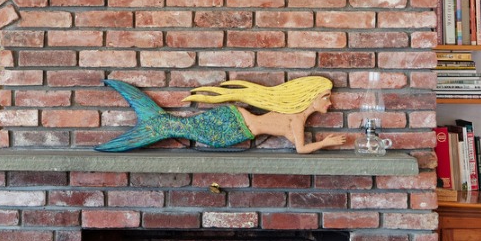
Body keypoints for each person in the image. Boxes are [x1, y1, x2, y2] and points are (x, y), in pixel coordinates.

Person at [95, 76, 349, 154]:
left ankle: (157, 125)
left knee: (178, 127)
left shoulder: (295, 117)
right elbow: (301, 149)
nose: (331, 102)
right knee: (175, 127)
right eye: (326, 96)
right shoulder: (296, 118)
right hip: (235, 127)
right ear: (311, 97)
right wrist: (326, 143)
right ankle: (155, 125)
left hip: (237, 123)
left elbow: (296, 142)